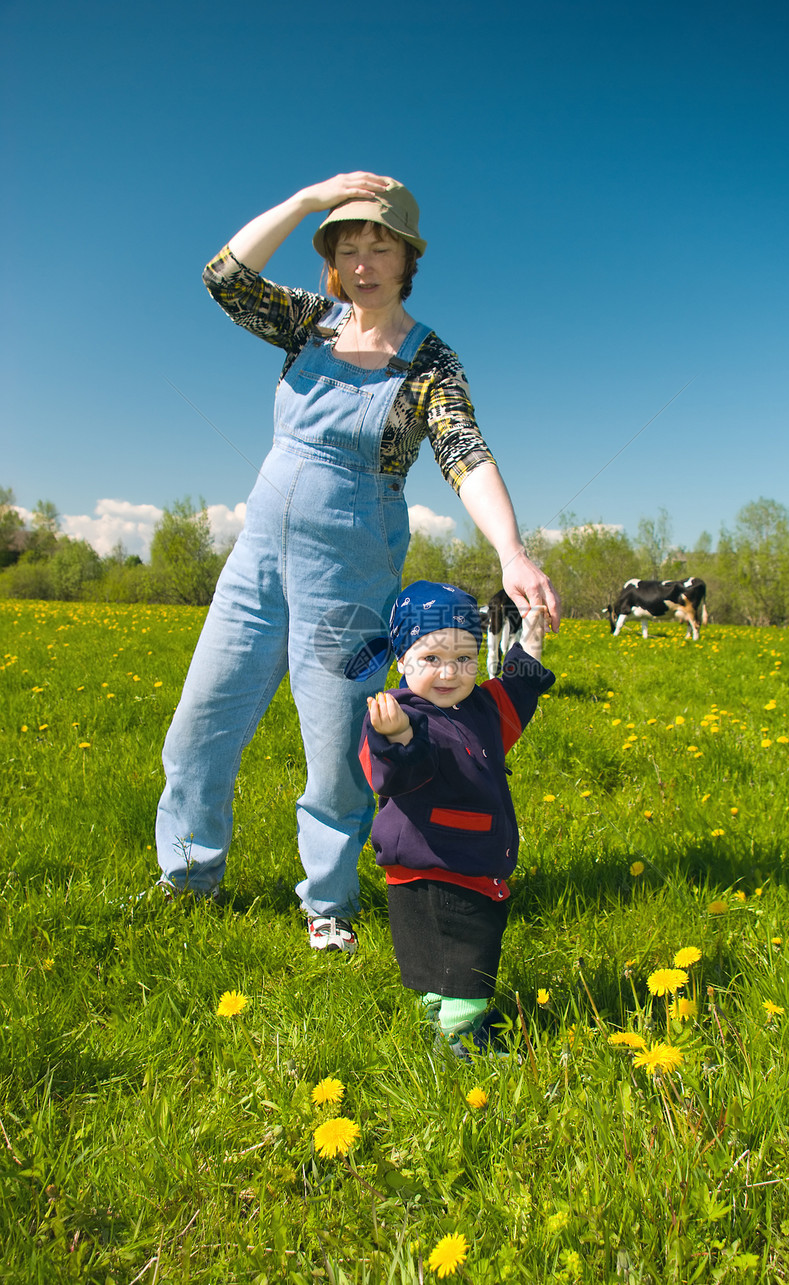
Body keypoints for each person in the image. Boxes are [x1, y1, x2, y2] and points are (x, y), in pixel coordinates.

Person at [154, 172, 559, 952]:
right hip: (254, 565)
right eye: (348, 246)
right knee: (199, 725)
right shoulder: (310, 322)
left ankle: (329, 903)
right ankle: (187, 876)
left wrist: (509, 548)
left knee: (339, 750)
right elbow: (224, 277)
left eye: (380, 246)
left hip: (350, 570)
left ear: (408, 260)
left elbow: (464, 452)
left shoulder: (428, 361)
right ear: (334, 261)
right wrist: (309, 199)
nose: (364, 261)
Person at [359, 581, 554, 1055]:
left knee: (435, 957)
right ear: (401, 660)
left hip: (460, 858)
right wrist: (399, 737)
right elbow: (394, 777)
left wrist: (532, 633)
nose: (450, 672)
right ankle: (464, 1038)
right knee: (470, 958)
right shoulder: (396, 714)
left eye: (465, 659)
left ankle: (436, 1013)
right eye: (431, 659)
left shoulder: (482, 707)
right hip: (443, 861)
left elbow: (519, 685)